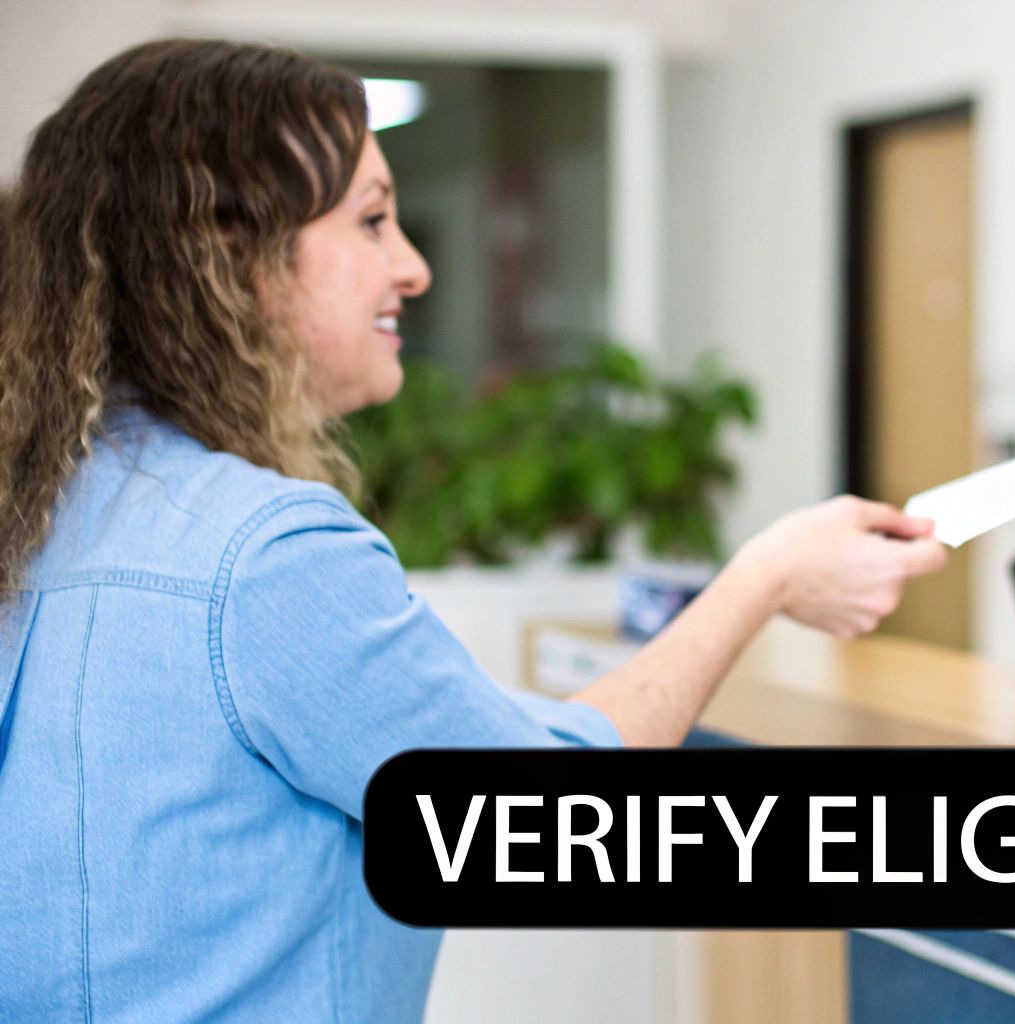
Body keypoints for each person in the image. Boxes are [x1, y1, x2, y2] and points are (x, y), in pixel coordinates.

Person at [0, 39, 946, 1021]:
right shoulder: (266, 559)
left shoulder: (53, 512)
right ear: (232, 257)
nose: (411, 268)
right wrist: (763, 578)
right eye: (371, 221)